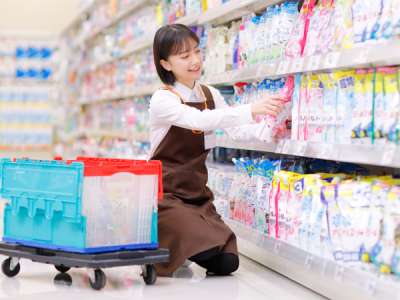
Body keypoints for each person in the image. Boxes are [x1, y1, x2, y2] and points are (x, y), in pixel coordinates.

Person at [149, 24, 285, 277]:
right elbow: (200, 120)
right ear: (166, 64)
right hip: (165, 197)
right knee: (212, 254)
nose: (195, 60)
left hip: (198, 195)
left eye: (196, 51)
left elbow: (237, 129)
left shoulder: (209, 94)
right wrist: (251, 109)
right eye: (184, 56)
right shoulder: (163, 99)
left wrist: (273, 127)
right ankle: (171, 241)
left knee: (228, 262)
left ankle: (182, 245)